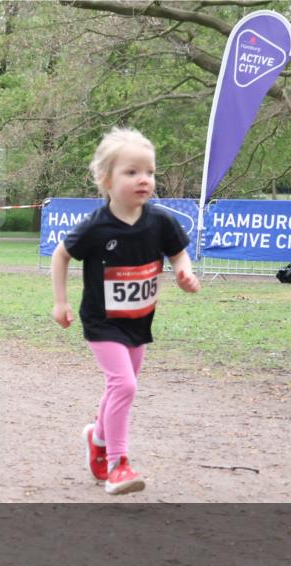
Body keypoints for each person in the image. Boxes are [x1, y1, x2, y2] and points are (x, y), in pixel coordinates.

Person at [50, 127, 200, 495]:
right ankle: (118, 463)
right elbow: (61, 254)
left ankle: (97, 440)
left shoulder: (160, 221)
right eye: (131, 172)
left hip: (138, 322)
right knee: (124, 385)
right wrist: (60, 302)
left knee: (119, 388)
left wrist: (185, 271)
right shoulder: (96, 227)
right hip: (102, 323)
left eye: (149, 172)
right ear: (106, 180)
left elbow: (178, 250)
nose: (143, 179)